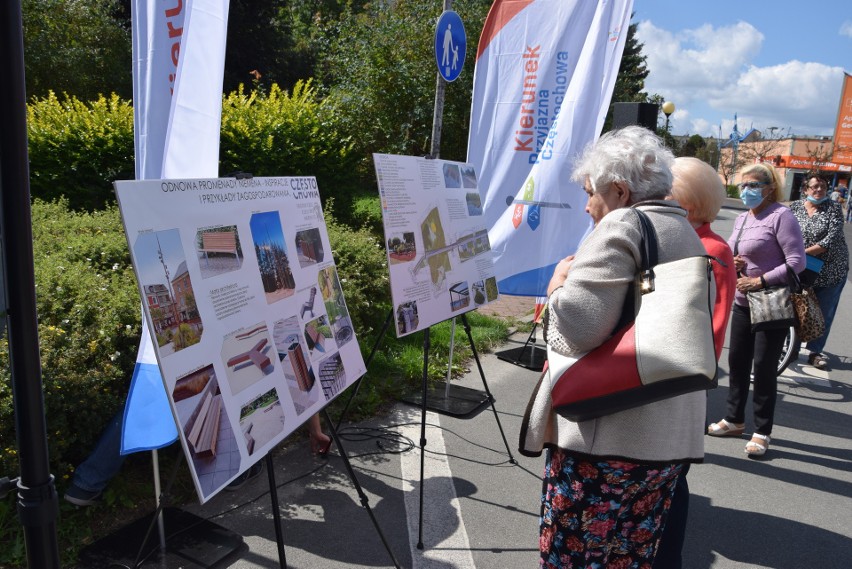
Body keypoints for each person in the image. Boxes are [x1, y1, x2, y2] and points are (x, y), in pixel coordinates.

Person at [528, 126, 709, 567]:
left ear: (620, 190)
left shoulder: (621, 225)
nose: (588, 205)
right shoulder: (683, 229)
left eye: (591, 192)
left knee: (573, 555)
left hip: (607, 436)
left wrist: (555, 288)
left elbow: (581, 326)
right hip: (665, 436)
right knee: (628, 556)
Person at [654, 157, 737, 568]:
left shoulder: (708, 249)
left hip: (678, 378)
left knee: (671, 480)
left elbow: (710, 326)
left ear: (685, 203)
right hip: (675, 375)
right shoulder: (695, 242)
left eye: (665, 192)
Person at [707, 163, 805, 458]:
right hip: (742, 302)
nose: (746, 190)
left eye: (753, 185)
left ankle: (762, 431)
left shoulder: (781, 216)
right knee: (737, 362)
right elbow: (735, 252)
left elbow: (796, 261)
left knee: (763, 369)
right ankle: (734, 419)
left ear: (769, 187)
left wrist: (761, 279)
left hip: (771, 303)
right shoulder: (741, 218)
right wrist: (734, 263)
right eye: (743, 185)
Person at [789, 175, 849, 370]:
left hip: (830, 269)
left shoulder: (833, 209)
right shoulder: (795, 207)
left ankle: (815, 352)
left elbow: (829, 241)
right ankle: (792, 349)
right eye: (814, 187)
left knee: (823, 311)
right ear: (805, 189)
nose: (819, 190)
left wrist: (799, 254)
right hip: (802, 268)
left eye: (822, 187)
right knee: (797, 307)